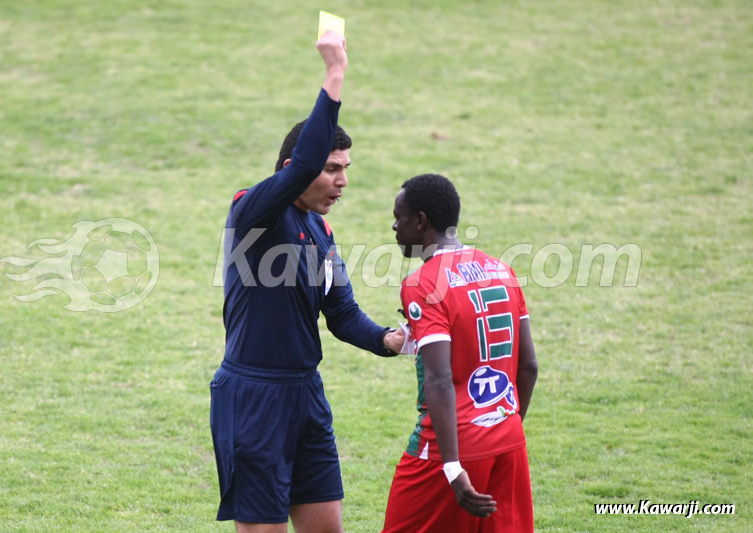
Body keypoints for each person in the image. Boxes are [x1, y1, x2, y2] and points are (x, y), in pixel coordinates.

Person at [210, 31, 405, 533]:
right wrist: (334, 74)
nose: (342, 180)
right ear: (291, 171)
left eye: (346, 169)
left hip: (306, 396)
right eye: (331, 168)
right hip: (255, 398)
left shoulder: (321, 231)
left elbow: (341, 314)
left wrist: (389, 340)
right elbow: (302, 164)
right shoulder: (252, 212)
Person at [382, 174, 538, 533]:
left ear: (420, 221)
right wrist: (506, 428)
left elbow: (438, 379)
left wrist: (452, 467)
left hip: (448, 448)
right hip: (508, 437)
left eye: (398, 216)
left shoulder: (422, 283)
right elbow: (528, 367)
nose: (394, 225)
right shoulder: (502, 270)